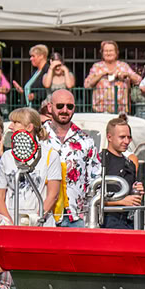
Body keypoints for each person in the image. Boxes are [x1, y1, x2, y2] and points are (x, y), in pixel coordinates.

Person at [0, 107, 61, 226]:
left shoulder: (50, 155)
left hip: (41, 223)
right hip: (12, 220)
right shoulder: (7, 157)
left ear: (29, 127)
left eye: (15, 123)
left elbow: (53, 195)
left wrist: (36, 220)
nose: (10, 127)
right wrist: (9, 222)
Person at [42, 90, 100, 227]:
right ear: (50, 107)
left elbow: (95, 178)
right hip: (44, 213)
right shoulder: (39, 137)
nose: (64, 110)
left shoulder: (86, 140)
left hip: (76, 216)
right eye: (60, 106)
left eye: (69, 106)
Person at [101, 115, 142, 229]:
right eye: (122, 137)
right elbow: (93, 199)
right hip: (108, 221)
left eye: (129, 137)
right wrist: (122, 201)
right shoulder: (101, 161)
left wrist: (137, 192)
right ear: (109, 137)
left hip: (129, 220)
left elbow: (132, 198)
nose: (126, 141)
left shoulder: (130, 163)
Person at [83, 40, 142, 115]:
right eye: (106, 51)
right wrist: (102, 74)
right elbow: (87, 85)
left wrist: (128, 75)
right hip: (101, 110)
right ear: (102, 53)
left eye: (111, 50)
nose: (108, 53)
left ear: (116, 52)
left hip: (121, 110)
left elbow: (139, 80)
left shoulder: (123, 66)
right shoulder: (97, 67)